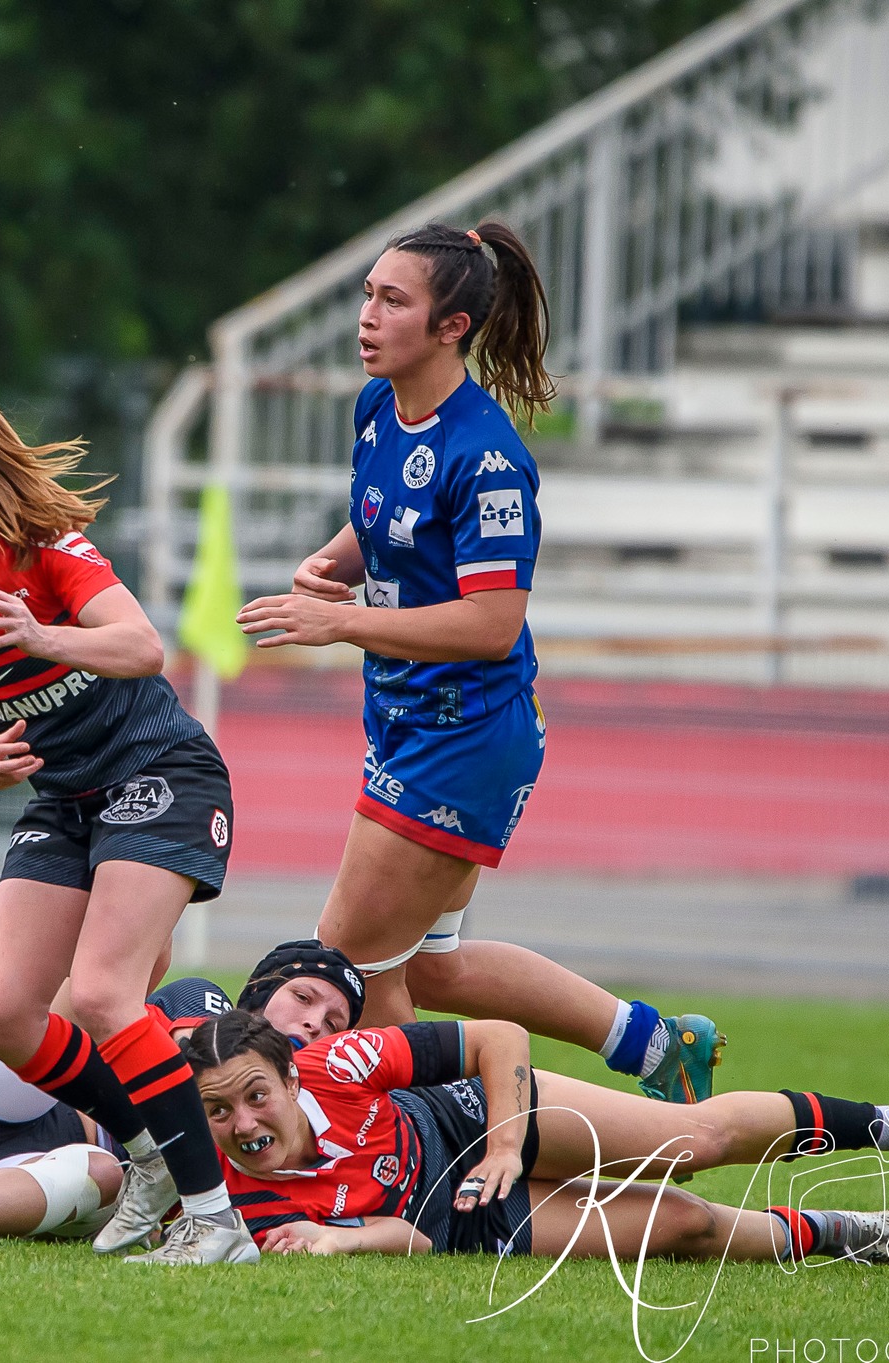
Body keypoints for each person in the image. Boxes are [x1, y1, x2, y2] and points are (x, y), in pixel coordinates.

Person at [235, 220, 723, 1104]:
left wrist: (340, 626)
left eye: (393, 300)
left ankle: (429, 1153)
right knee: (438, 971)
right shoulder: (379, 406)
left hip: (461, 740)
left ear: (451, 326)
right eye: (368, 294)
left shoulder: (489, 458)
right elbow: (386, 517)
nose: (367, 317)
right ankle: (657, 1045)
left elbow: (492, 624)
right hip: (408, 720)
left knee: (347, 967)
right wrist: (335, 563)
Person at [0, 371, 256, 1266]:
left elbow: (143, 645)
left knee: (109, 992)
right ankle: (146, 1153)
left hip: (162, 773)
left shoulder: (42, 544)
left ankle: (217, 1219)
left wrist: (41, 636)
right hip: (64, 797)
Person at [183, 1009, 889, 1263]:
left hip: (471, 1119)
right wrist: (339, 1245)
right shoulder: (233, 1196)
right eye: (220, 1112)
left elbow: (497, 1036)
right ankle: (852, 1234)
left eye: (256, 1096)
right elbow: (410, 1237)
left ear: (291, 1078)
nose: (244, 1125)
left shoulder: (338, 1060)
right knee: (683, 1220)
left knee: (695, 1138)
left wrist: (505, 1143)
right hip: (459, 1217)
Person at [0, 939, 367, 1245]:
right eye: (303, 997)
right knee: (132, 957)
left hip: (35, 1176)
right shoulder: (203, 1002)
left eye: (334, 1020)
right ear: (260, 990)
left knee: (101, 1173)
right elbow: (190, 1075)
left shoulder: (311, 1117)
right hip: (13, 1108)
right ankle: (34, 957)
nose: (315, 1023)